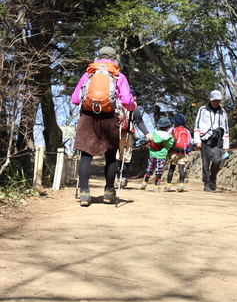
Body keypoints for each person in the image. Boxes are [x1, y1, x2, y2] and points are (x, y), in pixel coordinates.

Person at [71, 46, 136, 206]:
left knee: (86, 155)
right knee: (110, 155)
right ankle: (108, 193)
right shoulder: (118, 76)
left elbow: (75, 99)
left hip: (88, 116)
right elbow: (127, 101)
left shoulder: (88, 74)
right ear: (114, 59)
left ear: (98, 57)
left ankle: (85, 194)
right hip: (109, 117)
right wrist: (131, 107)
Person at [193, 90, 229, 192]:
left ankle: (213, 179)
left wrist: (226, 144)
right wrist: (197, 140)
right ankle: (207, 183)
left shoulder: (223, 112)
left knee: (217, 161)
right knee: (205, 162)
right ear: (210, 100)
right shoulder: (203, 110)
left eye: (217, 101)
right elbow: (197, 125)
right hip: (205, 138)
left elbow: (225, 128)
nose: (215, 103)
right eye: (214, 100)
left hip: (217, 139)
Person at [116, 89, 153, 188]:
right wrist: (147, 133)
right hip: (127, 134)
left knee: (115, 156)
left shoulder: (116, 103)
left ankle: (113, 178)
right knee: (126, 157)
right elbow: (139, 121)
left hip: (114, 133)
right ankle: (121, 177)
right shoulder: (134, 106)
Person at [140, 117, 174, 192]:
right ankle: (156, 186)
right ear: (168, 127)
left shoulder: (154, 133)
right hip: (161, 155)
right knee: (159, 171)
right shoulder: (167, 137)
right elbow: (169, 145)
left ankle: (144, 183)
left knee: (149, 168)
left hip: (152, 154)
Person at [164, 113, 192, 192]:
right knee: (181, 169)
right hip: (183, 153)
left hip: (174, 152)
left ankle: (168, 185)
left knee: (171, 168)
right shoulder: (186, 131)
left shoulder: (172, 129)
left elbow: (168, 138)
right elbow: (190, 141)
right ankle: (181, 185)